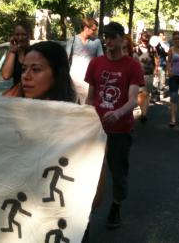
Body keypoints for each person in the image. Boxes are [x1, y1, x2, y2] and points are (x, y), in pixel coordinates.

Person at [85, 21, 144, 229]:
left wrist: (118, 113)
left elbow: (133, 99)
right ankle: (86, 209)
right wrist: (86, 119)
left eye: (112, 37)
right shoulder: (96, 64)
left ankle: (116, 205)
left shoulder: (133, 66)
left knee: (118, 171)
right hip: (97, 129)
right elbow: (91, 98)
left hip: (120, 129)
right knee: (89, 170)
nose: (108, 41)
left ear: (122, 38)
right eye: (105, 37)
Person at [7, 41, 76, 102]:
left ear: (57, 73)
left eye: (36, 69)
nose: (25, 76)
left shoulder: (72, 114)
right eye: (24, 69)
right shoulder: (13, 109)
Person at [66, 17, 104, 104]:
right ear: (86, 28)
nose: (95, 32)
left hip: (88, 82)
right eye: (93, 30)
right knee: (72, 109)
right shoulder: (73, 40)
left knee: (86, 109)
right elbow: (65, 59)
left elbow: (101, 60)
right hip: (73, 81)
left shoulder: (97, 42)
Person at [134, 31, 159, 123]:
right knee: (140, 94)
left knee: (146, 94)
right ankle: (142, 110)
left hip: (149, 74)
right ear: (141, 39)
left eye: (146, 40)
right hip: (137, 74)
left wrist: (156, 68)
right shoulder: (135, 49)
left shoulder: (152, 49)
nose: (145, 42)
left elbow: (156, 59)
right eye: (143, 40)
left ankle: (144, 114)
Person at [2, 21, 32, 86]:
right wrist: (13, 51)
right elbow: (6, 76)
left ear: (29, 35)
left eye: (23, 34)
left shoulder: (35, 52)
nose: (20, 38)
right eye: (17, 35)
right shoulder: (12, 54)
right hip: (18, 94)